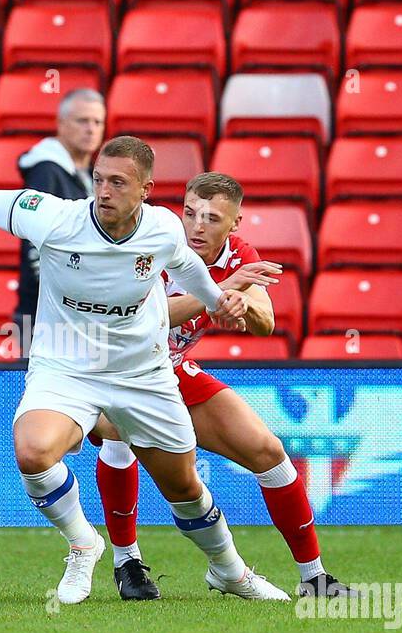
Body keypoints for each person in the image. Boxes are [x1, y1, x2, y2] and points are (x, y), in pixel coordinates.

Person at [0, 137, 292, 603]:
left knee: (183, 487)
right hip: (65, 367)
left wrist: (221, 300)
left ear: (145, 189)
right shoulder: (57, 218)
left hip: (142, 373)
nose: (104, 191)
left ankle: (231, 572)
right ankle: (84, 543)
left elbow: (184, 267)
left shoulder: (162, 228)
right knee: (33, 452)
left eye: (118, 182)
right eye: (99, 179)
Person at [92, 173, 357, 601]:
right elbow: (147, 321)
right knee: (121, 434)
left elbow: (266, 323)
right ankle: (128, 563)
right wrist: (218, 293)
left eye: (212, 218)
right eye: (191, 213)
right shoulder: (152, 241)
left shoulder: (239, 257)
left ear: (235, 224)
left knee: (269, 453)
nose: (197, 226)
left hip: (170, 370)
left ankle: (315, 579)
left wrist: (241, 305)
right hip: (109, 370)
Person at [13, 89, 106, 341]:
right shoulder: (46, 172)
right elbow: (34, 244)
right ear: (61, 124)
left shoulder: (89, 175)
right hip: (44, 316)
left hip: (79, 312)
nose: (91, 129)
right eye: (82, 120)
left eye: (97, 122)